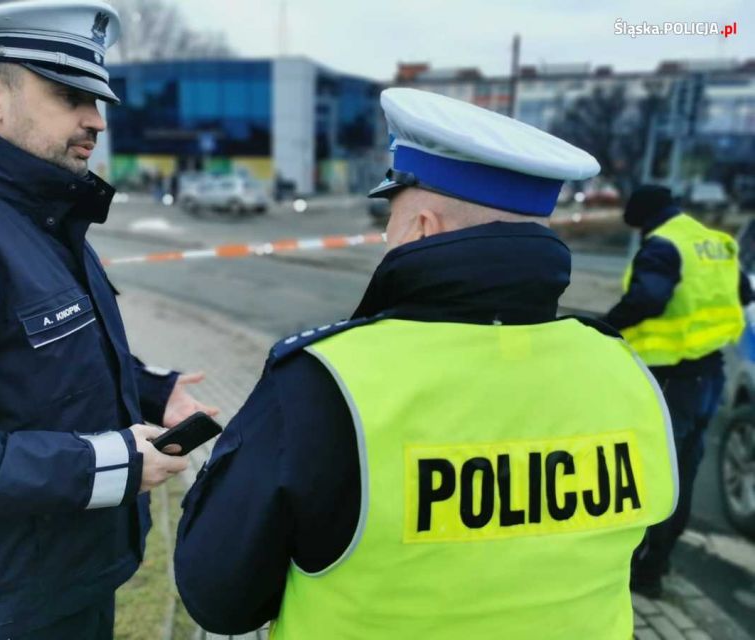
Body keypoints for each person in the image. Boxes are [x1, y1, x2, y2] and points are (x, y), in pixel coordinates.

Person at [174, 88, 679, 639]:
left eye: (391, 215)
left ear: (421, 228)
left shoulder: (324, 383)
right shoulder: (623, 368)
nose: (385, 235)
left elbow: (218, 599)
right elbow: (633, 542)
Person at [0, 2, 216, 638]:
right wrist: (109, 465)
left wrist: (155, 389)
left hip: (75, 573)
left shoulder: (40, 214)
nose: (95, 120)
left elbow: (39, 356)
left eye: (96, 97)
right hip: (11, 600)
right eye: (70, 95)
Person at [602, 185, 752, 597]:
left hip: (671, 378)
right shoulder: (711, 241)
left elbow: (648, 298)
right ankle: (658, 564)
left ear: (643, 215)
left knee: (654, 472)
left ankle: (643, 571)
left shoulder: (663, 246)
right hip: (710, 374)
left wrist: (604, 327)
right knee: (682, 471)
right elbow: (744, 293)